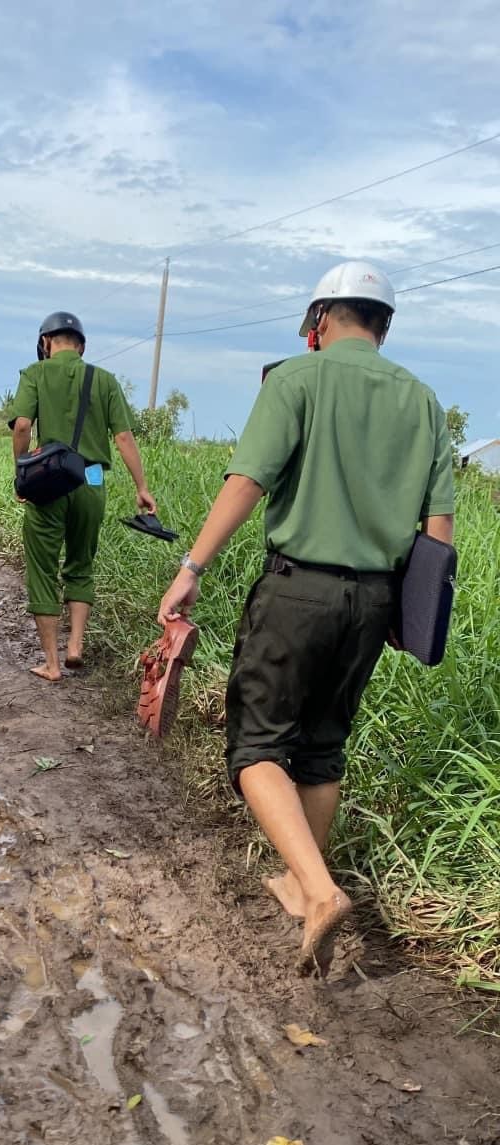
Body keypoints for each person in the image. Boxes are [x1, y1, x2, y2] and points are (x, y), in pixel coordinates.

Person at [158, 261, 454, 974]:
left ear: (321, 319)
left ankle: (319, 891)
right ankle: (299, 879)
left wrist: (190, 567)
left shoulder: (295, 378)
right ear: (383, 326)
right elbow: (438, 528)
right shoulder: (423, 401)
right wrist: (407, 612)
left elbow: (248, 482)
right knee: (321, 746)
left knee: (256, 745)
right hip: (374, 601)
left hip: (299, 589)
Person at [9, 310, 156, 682]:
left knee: (43, 569)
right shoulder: (104, 380)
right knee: (81, 562)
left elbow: (23, 425)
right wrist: (141, 487)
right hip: (91, 480)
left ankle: (52, 665)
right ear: (82, 346)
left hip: (49, 480)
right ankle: (75, 646)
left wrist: (21, 473)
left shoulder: (35, 374)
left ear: (45, 343)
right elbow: (123, 438)